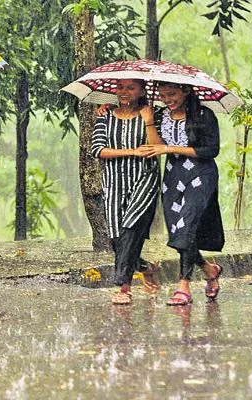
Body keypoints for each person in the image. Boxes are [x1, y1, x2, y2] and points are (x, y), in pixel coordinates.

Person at [144, 82, 224, 306]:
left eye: (172, 94)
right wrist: (105, 109)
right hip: (173, 176)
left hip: (201, 175)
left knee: (187, 225)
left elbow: (211, 150)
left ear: (186, 91)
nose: (167, 99)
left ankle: (184, 286)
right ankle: (209, 269)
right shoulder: (160, 115)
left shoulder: (203, 115)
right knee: (178, 231)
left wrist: (170, 149)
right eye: (163, 95)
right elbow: (134, 115)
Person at [90, 79, 162, 305]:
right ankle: (145, 267)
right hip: (113, 181)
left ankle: (124, 286)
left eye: (131, 88)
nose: (124, 92)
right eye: (120, 87)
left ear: (142, 91)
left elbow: (157, 147)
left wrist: (149, 121)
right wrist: (133, 152)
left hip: (144, 179)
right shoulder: (105, 115)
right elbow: (98, 149)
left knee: (130, 227)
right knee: (116, 238)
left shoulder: (154, 113)